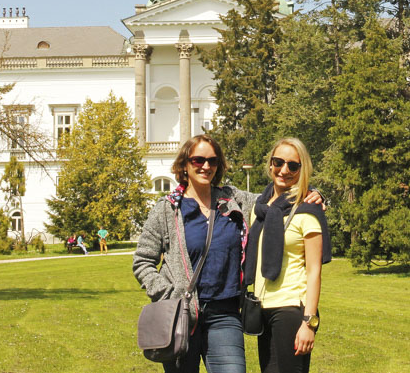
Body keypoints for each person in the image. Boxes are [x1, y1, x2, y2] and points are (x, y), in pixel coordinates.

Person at [133, 134, 322, 373]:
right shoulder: (168, 209)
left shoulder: (234, 200)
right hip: (180, 315)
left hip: (224, 315)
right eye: (198, 160)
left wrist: (312, 193)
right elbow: (143, 261)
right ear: (184, 164)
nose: (206, 166)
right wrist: (168, 294)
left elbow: (276, 197)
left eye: (212, 161)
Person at [243, 138, 331, 373]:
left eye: (293, 165)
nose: (284, 170)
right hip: (263, 307)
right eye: (278, 162)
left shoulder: (307, 210)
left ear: (303, 169)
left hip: (291, 308)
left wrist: (308, 323)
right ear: (270, 163)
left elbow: (314, 271)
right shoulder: (259, 208)